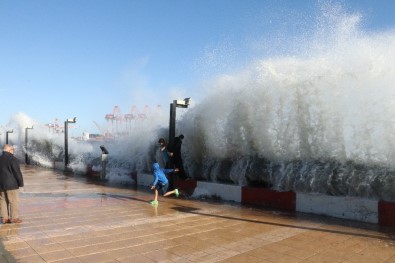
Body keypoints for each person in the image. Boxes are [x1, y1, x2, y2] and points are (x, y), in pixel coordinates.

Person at [0, 144, 24, 224]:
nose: (13, 152)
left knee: (3, 200)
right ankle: (14, 218)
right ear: (10, 150)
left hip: (1, 184)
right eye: (13, 150)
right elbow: (17, 172)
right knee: (13, 201)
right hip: (12, 184)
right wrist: (21, 183)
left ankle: (4, 218)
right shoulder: (12, 159)